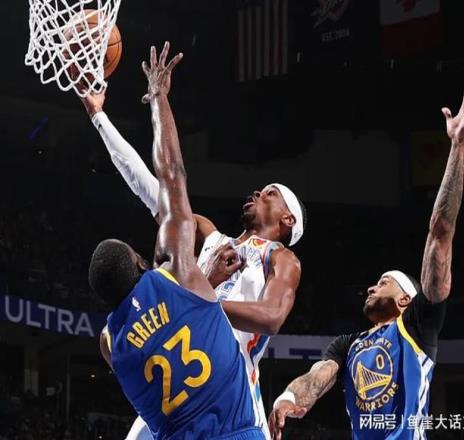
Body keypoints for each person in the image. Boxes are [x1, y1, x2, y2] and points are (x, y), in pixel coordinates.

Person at [81, 57, 305, 440]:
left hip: (231, 387)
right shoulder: (209, 236)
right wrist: (100, 118)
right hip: (182, 388)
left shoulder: (281, 257)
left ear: (288, 220)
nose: (258, 192)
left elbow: (271, 317)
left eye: (270, 193)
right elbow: (152, 184)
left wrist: (199, 301)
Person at [268, 75, 464, 440]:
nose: (371, 287)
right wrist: (289, 398)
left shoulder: (418, 324)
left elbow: (440, 231)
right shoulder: (347, 344)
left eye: (383, 282)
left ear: (406, 298)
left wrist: (458, 147)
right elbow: (318, 377)